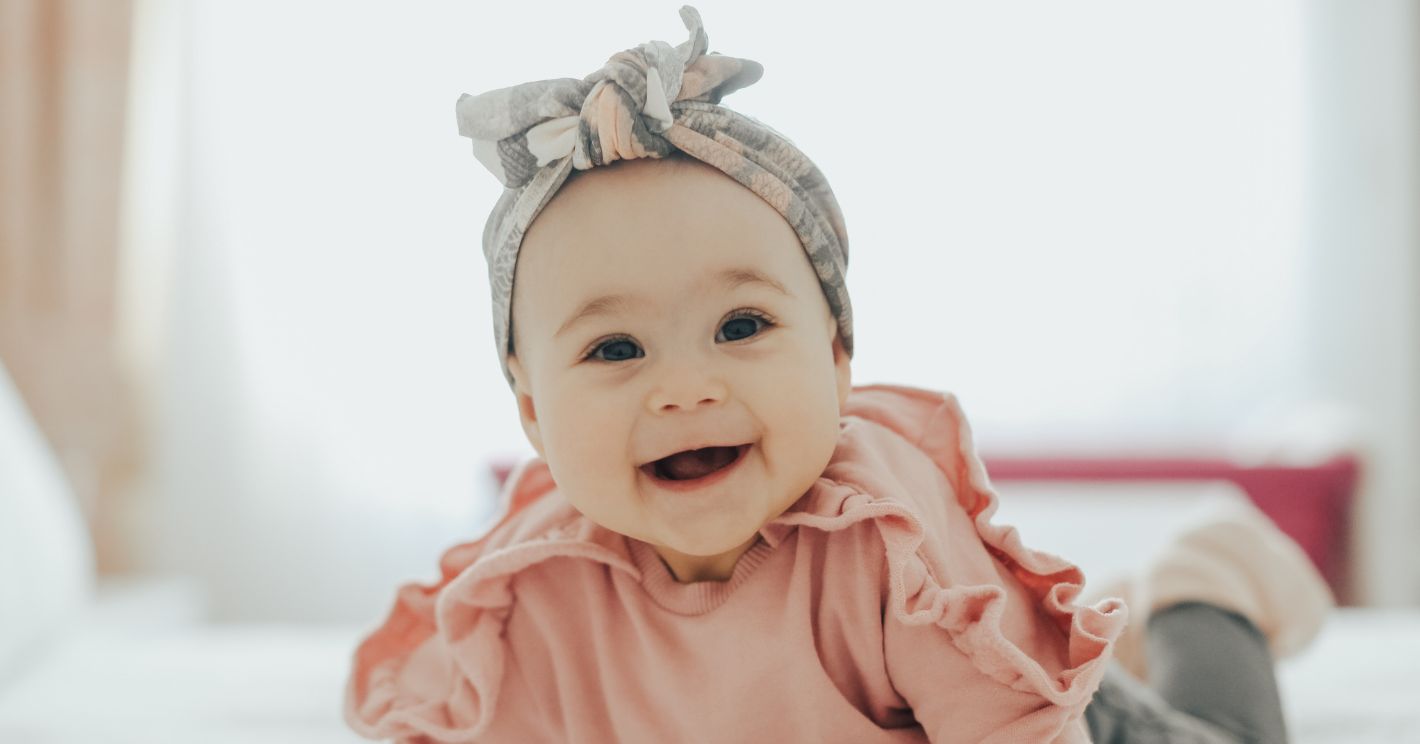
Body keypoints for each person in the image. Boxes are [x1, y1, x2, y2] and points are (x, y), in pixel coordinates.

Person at [343, 7, 1331, 742]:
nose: (683, 388)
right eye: (613, 349)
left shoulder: (888, 543)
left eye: (741, 324)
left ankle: (1205, 592)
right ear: (529, 413)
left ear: (836, 355)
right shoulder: (524, 592)